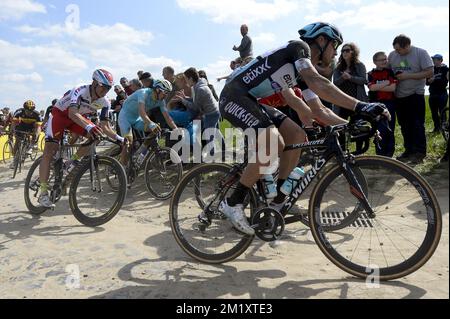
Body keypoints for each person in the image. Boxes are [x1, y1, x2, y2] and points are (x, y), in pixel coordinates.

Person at [217, 22, 390, 235]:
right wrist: (362, 106)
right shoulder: (298, 49)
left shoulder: (303, 73)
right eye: (335, 45)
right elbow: (318, 83)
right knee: (273, 142)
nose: (336, 51)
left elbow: (318, 110)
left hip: (251, 100)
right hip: (232, 96)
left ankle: (278, 201)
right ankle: (233, 203)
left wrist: (350, 126)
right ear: (321, 40)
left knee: (297, 134)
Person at [38, 69, 124, 208]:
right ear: (94, 83)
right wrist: (89, 127)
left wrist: (120, 139)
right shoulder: (79, 90)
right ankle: (43, 193)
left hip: (77, 119)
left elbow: (106, 127)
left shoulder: (105, 102)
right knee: (50, 150)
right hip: (60, 115)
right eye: (103, 86)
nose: (105, 91)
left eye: (108, 88)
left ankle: (71, 163)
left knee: (98, 134)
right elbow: (72, 113)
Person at [388, 34, 434, 164]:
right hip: (398, 96)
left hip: (415, 94)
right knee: (404, 125)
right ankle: (408, 150)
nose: (397, 52)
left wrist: (408, 76)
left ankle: (419, 152)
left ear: (407, 45)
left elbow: (430, 72)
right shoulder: (393, 55)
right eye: (395, 49)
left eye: (399, 50)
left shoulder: (421, 53)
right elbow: (388, 71)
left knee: (417, 125)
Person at [118, 79, 181, 165]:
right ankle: (122, 168)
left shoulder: (160, 101)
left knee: (156, 129)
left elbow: (167, 117)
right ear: (158, 90)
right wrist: (151, 124)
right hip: (125, 117)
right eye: (165, 93)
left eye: (167, 93)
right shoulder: (143, 93)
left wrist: (176, 129)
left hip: (137, 119)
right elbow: (141, 111)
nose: (166, 96)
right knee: (128, 142)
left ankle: (139, 152)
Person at [173, 68, 223, 155]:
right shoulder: (198, 85)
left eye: (186, 79)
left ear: (191, 79)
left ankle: (212, 157)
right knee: (215, 132)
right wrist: (185, 97)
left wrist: (183, 101)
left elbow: (195, 107)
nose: (185, 81)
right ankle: (222, 150)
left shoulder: (199, 89)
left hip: (211, 114)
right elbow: (195, 100)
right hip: (214, 112)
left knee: (209, 136)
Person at [368, 52, 398, 157]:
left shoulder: (390, 72)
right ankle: (380, 154)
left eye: (385, 59)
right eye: (381, 60)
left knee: (390, 128)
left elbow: (393, 88)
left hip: (389, 104)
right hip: (376, 105)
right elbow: (371, 88)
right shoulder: (371, 74)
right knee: (379, 129)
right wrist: (386, 83)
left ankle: (389, 154)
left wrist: (378, 85)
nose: (384, 61)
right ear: (375, 62)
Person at [10, 100, 42, 168]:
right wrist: (12, 131)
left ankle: (31, 146)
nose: (29, 112)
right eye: (27, 111)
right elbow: (14, 123)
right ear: (24, 109)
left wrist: (36, 135)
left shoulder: (37, 114)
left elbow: (38, 128)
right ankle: (14, 160)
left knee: (35, 134)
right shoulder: (19, 112)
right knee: (17, 141)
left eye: (31, 111)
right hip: (22, 125)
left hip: (32, 126)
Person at [427, 54, 449, 133]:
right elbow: (426, 82)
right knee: (434, 112)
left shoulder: (446, 69)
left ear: (440, 60)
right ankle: (437, 128)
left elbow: (447, 79)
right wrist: (429, 81)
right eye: (432, 59)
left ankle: (445, 129)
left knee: (442, 112)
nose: (433, 61)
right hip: (432, 94)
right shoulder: (431, 70)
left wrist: (436, 80)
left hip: (442, 94)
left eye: (435, 59)